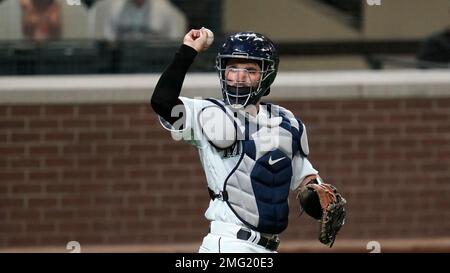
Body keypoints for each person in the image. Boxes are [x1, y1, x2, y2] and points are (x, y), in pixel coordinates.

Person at [151, 29, 346, 253]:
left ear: (267, 75)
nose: (239, 76)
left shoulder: (285, 121)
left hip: (267, 248)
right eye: (232, 68)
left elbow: (306, 181)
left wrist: (318, 195)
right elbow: (162, 101)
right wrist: (188, 51)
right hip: (229, 243)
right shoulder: (208, 113)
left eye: (250, 70)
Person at [93, 0, 187, 41]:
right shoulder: (115, 7)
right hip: (124, 59)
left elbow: (174, 38)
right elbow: (109, 36)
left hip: (154, 60)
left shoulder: (164, 8)